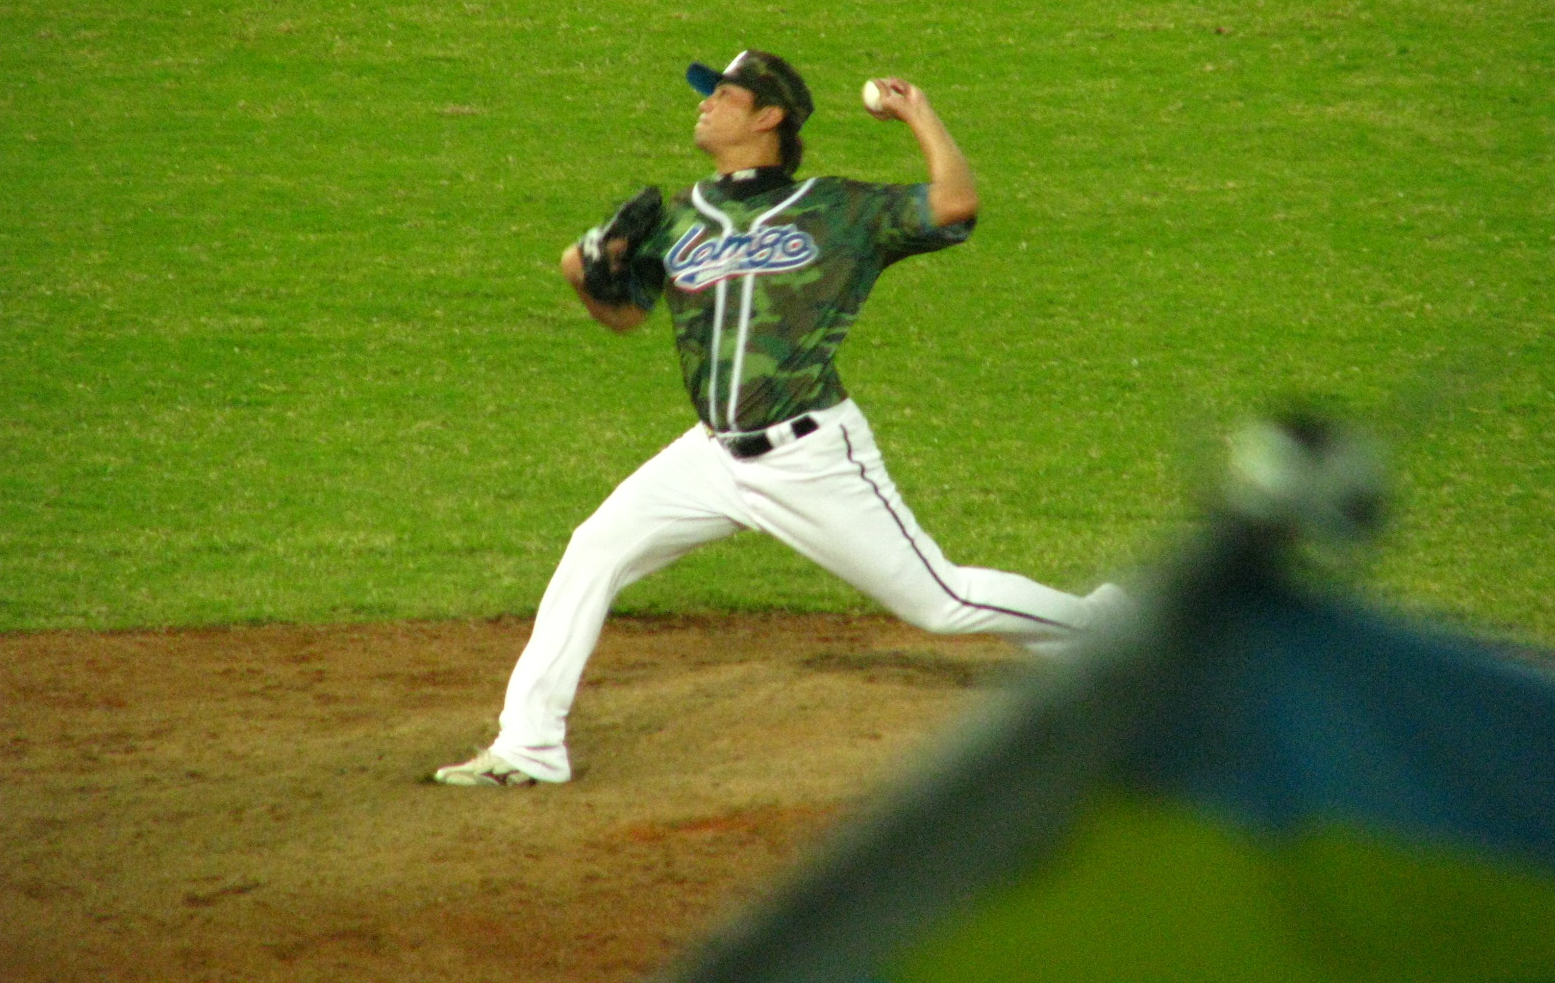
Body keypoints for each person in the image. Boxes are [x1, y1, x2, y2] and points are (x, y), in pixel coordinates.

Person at [434, 50, 1128, 787]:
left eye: (723, 94)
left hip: (809, 457)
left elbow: (953, 205)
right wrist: (586, 266)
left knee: (941, 601)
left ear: (768, 117)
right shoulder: (680, 217)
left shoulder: (836, 208)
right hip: (709, 457)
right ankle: (529, 748)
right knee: (595, 548)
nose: (705, 103)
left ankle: (1106, 631)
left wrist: (918, 114)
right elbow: (624, 316)